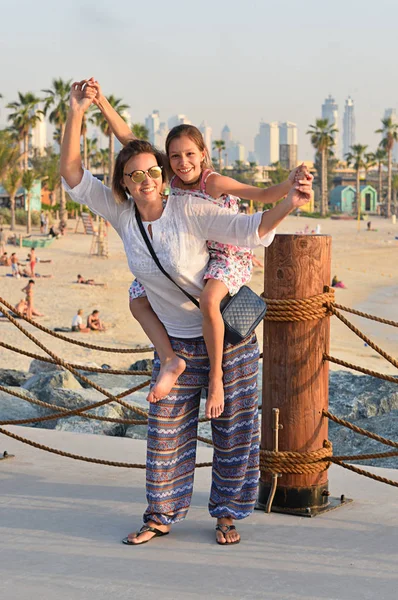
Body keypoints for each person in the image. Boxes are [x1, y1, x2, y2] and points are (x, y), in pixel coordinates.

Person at [60, 80, 313, 547]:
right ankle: (161, 515)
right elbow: (76, 172)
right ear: (124, 182)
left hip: (227, 341)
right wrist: (79, 109)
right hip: (175, 344)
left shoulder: (192, 206)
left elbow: (250, 223)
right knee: (165, 439)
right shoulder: (120, 212)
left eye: (152, 172)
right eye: (135, 175)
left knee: (234, 433)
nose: (147, 179)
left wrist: (289, 201)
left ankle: (227, 515)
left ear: (164, 172)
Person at [89, 78, 308, 419]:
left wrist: (289, 186)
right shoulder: (167, 178)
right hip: (198, 250)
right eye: (174, 156)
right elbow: (128, 139)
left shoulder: (213, 182)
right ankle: (170, 359)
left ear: (203, 154)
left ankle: (216, 378)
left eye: (190, 154)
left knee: (208, 300)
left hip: (228, 252)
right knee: (136, 296)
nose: (182, 161)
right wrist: (101, 102)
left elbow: (261, 196)